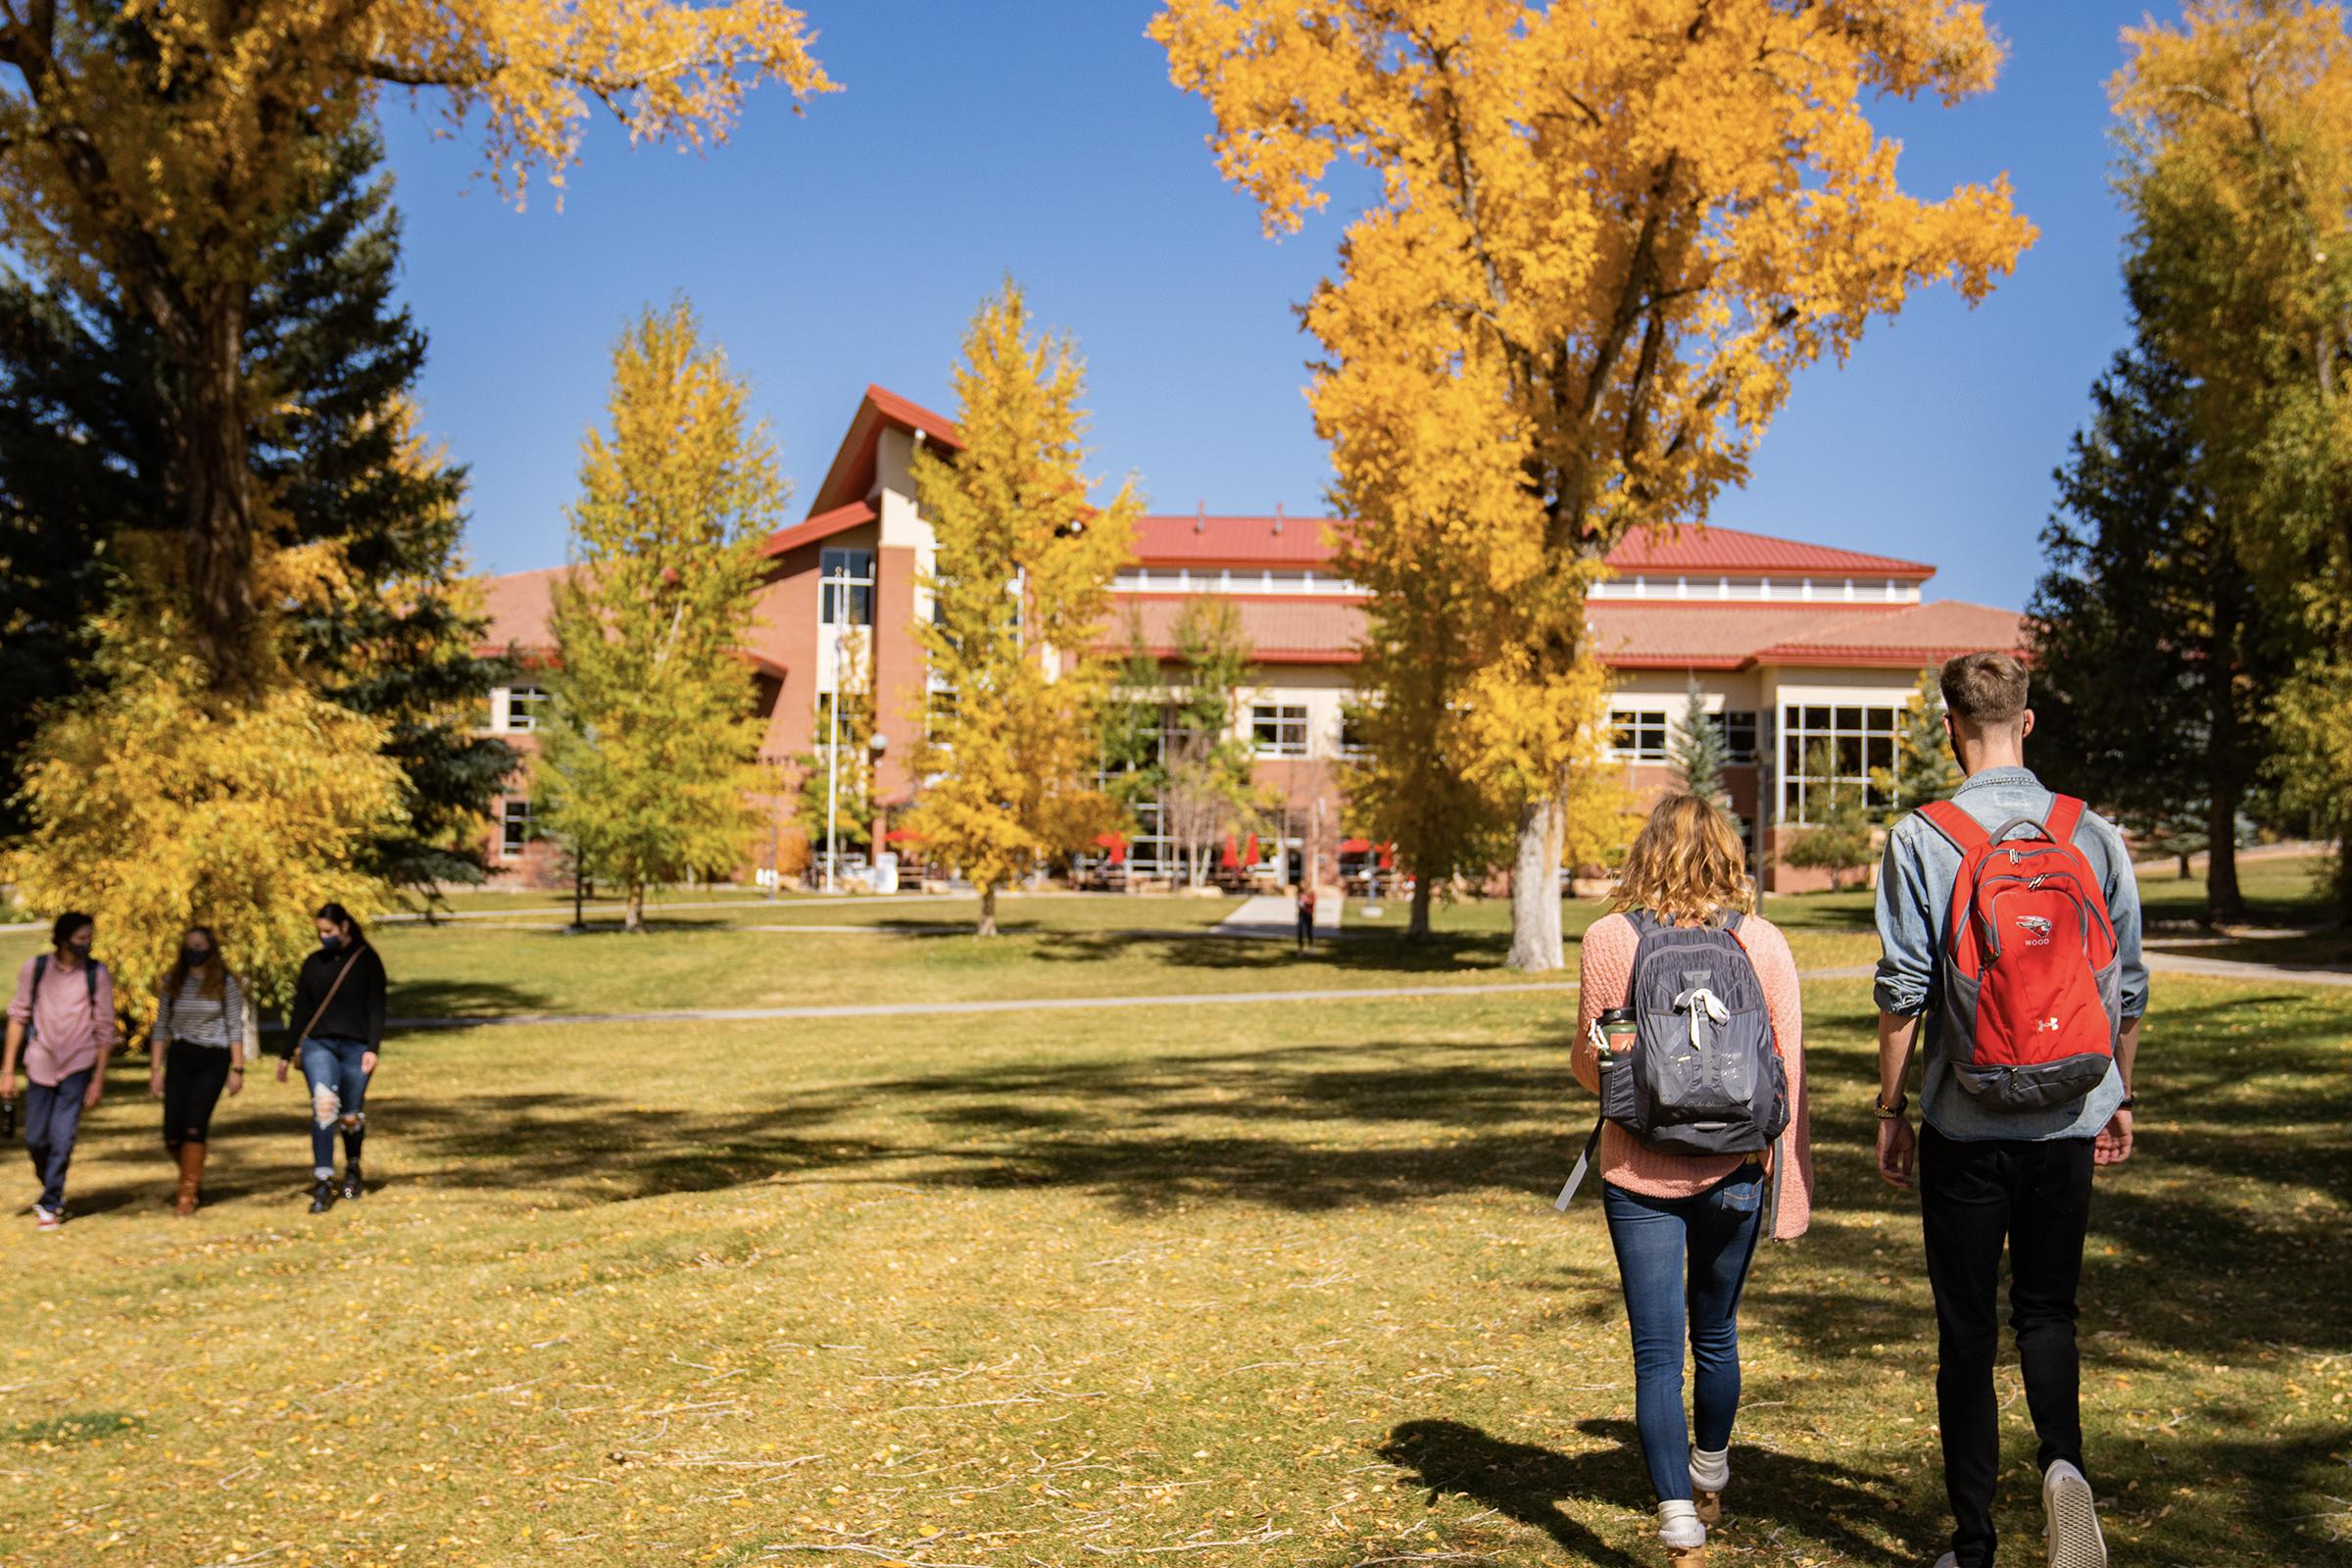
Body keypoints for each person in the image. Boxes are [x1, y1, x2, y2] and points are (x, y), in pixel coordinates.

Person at [1872, 651, 2144, 1568]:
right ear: (2026, 722)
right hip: (2068, 1113)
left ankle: (1975, 1542)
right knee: (2048, 1312)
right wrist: (2117, 1094)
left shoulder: (1923, 838)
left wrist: (1891, 1110)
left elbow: (1903, 992)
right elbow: (2127, 986)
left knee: (1966, 1331)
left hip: (1964, 1122)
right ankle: (2063, 1465)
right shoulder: (2090, 833)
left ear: (1951, 728)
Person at [1572, 796, 1813, 1568]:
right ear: (1728, 856)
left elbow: (1591, 1067)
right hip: (1736, 1168)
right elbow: (1788, 1071)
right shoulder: (1761, 941)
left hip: (1636, 1170)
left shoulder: (1611, 939)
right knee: (1715, 1334)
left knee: (1655, 1355)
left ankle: (1679, 1523)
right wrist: (1790, 1187)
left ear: (1644, 852)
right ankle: (1710, 1469)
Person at [2, 912, 121, 1230]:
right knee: (35, 1138)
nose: (87, 944)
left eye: (90, 938)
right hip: (40, 1062)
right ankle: (51, 1185)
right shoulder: (36, 969)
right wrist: (7, 1071)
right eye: (81, 938)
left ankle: (51, 1202)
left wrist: (98, 1080)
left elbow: (105, 1029)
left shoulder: (96, 973)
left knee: (62, 1138)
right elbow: (18, 1018)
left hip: (78, 1065)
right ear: (64, 938)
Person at [274, 903, 388, 1213]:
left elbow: (377, 1007)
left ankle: (352, 1170)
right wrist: (285, 1054)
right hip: (318, 1044)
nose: (323, 937)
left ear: (344, 927)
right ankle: (323, 1180)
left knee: (350, 1115)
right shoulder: (314, 963)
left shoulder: (367, 961)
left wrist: (373, 1048)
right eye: (320, 932)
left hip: (356, 1045)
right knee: (324, 1107)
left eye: (328, 931)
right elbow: (301, 1011)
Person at [148, 925, 259, 1215]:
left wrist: (238, 1069)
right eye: (189, 946)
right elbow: (160, 1026)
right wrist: (155, 1069)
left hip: (213, 1057)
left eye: (199, 946)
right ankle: (192, 1176)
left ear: (210, 949)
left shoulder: (224, 982)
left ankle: (187, 1195)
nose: (194, 951)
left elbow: (234, 1026)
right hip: (181, 1055)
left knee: (195, 1125)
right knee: (172, 1132)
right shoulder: (173, 981)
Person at [1295, 881, 1317, 955]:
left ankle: (1311, 947)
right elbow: (1298, 903)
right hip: (1301, 914)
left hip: (1308, 914)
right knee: (1300, 931)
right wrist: (1299, 902)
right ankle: (1300, 948)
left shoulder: (1311, 893)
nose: (1302, 887)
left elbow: (1312, 902)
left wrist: (1306, 900)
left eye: (1303, 886)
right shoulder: (1299, 893)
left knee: (1309, 931)